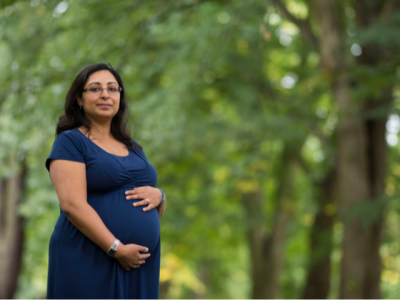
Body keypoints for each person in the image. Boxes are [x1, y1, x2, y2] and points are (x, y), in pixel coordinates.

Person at [45, 63, 166, 299]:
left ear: (120, 96)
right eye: (95, 89)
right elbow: (72, 205)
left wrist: (160, 196)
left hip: (137, 262)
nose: (105, 95)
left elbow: (146, 203)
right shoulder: (70, 142)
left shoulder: (134, 148)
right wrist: (116, 249)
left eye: (112, 88)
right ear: (79, 98)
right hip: (90, 254)